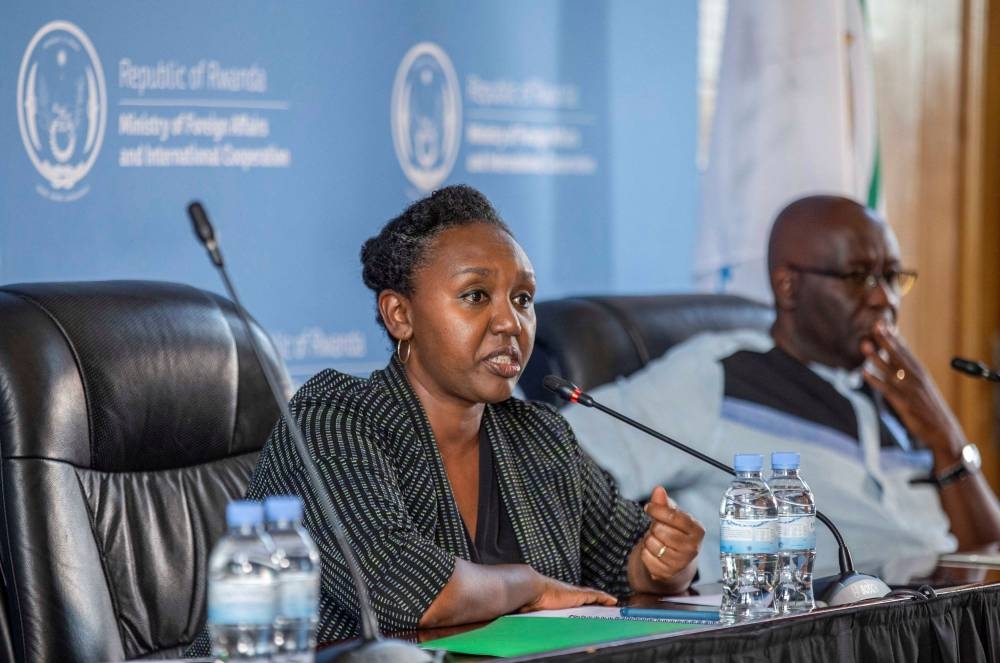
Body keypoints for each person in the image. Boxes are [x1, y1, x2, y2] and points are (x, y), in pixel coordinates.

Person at [189, 185, 704, 653]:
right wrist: (532, 586)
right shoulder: (335, 416)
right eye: (476, 296)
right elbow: (407, 592)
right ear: (400, 316)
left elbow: (624, 564)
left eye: (522, 299)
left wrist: (663, 562)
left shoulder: (539, 435)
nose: (511, 323)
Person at [563, 195, 1000, 581]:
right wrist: (649, 561)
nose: (883, 298)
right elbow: (559, 452)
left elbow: (987, 555)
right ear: (788, 286)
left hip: (938, 619)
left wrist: (946, 436)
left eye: (892, 277)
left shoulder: (899, 395)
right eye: (860, 276)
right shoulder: (721, 377)